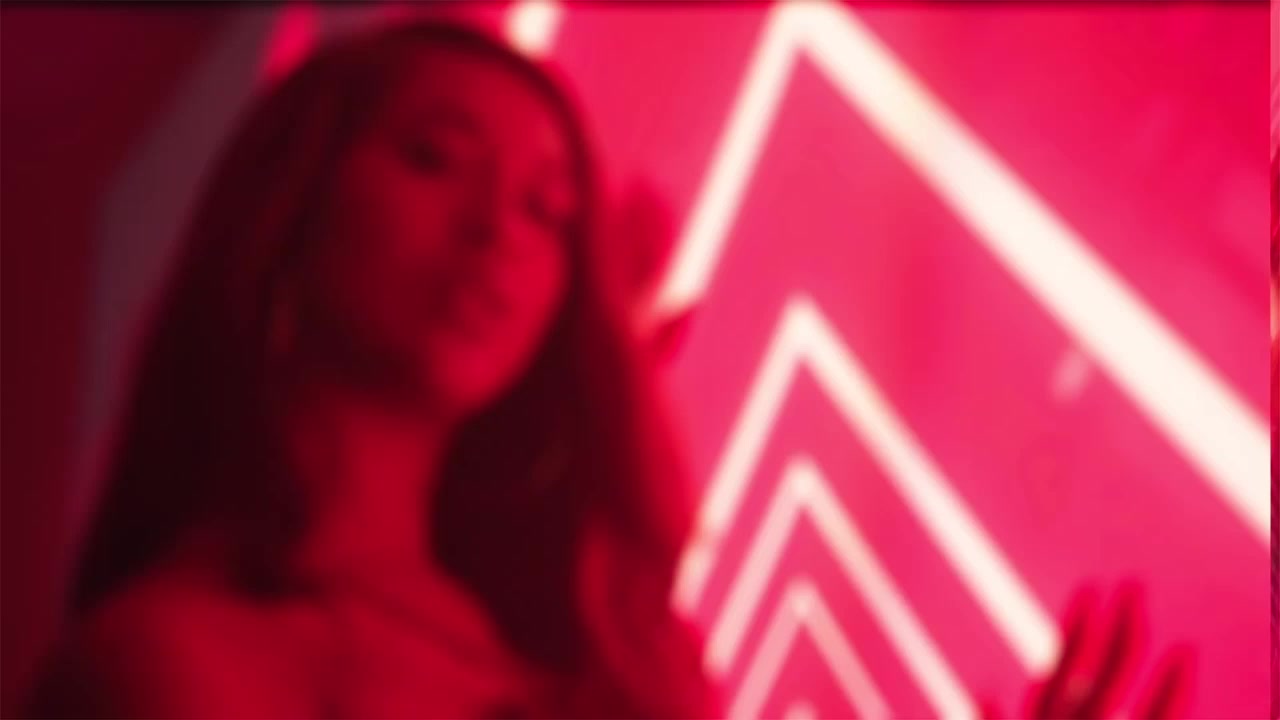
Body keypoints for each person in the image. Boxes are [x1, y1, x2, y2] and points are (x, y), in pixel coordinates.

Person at [27, 19, 716, 719]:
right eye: (435, 159)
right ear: (294, 201)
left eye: (545, 210)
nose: (498, 229)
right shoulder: (169, 653)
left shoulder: (595, 646)